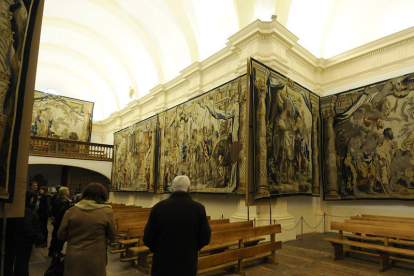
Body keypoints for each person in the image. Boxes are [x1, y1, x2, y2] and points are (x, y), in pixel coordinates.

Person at [144, 175, 211, 276]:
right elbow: (205, 238)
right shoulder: (199, 209)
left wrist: (158, 250)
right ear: (189, 189)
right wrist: (192, 248)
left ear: (172, 189)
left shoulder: (158, 208)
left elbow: (148, 238)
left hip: (162, 264)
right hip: (187, 264)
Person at [57, 183, 117, 276]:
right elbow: (112, 235)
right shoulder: (106, 212)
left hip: (74, 254)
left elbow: (61, 235)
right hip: (95, 256)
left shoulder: (72, 210)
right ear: (103, 195)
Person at [4, 190, 43, 276]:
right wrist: (34, 235)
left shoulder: (15, 208)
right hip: (24, 241)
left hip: (13, 238)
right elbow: (27, 227)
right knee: (22, 263)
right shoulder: (27, 211)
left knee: (10, 261)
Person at [49, 187, 72, 257]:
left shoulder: (56, 199)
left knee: (54, 236)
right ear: (65, 192)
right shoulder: (65, 201)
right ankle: (57, 252)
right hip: (61, 222)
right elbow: (63, 213)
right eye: (68, 190)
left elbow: (52, 209)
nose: (69, 192)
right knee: (60, 238)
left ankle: (51, 251)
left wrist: (53, 217)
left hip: (56, 221)